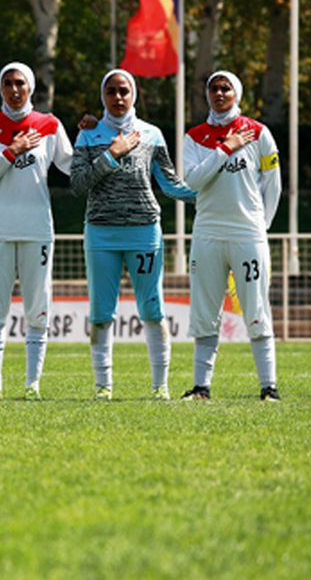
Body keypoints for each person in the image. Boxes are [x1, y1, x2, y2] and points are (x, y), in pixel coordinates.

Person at [71, 69, 195, 400]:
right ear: (103, 96)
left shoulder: (151, 134)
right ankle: (103, 387)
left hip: (144, 231)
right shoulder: (88, 134)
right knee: (101, 312)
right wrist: (112, 154)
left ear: (134, 94)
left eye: (123, 90)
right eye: (111, 91)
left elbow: (170, 183)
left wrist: (206, 196)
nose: (118, 97)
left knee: (153, 308)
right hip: (101, 233)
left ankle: (160, 387)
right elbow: (78, 184)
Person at [0, 62, 74, 400]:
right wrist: (10, 152)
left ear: (30, 87)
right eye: (8, 84)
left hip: (37, 229)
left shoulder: (49, 124)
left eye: (20, 84)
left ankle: (33, 384)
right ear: (0, 88)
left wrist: (94, 137)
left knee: (38, 308)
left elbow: (72, 165)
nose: (14, 90)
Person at [182, 71, 282, 401]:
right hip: (208, 234)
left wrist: (259, 225)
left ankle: (269, 387)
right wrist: (225, 149)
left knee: (256, 308)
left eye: (225, 88)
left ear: (236, 92)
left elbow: (273, 182)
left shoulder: (259, 132)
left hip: (248, 233)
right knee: (205, 311)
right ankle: (201, 387)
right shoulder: (194, 137)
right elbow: (193, 181)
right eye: (214, 88)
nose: (220, 93)